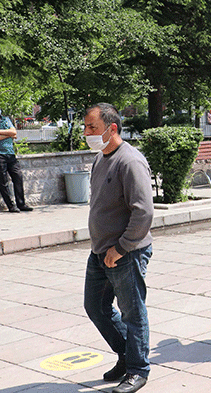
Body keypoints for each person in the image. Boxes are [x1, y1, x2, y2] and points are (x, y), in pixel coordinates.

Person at [83, 103, 153, 393]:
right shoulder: (102, 157)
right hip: (100, 251)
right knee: (96, 307)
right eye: (85, 127)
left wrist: (122, 248)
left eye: (92, 128)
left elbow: (144, 213)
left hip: (125, 253)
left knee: (132, 312)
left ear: (112, 128)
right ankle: (127, 355)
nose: (87, 133)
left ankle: (138, 370)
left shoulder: (130, 161)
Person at [0, 110, 32, 212]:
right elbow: (11, 134)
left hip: (10, 154)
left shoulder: (6, 119)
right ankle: (11, 206)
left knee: (18, 177)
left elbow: (14, 132)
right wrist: (8, 134)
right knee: (3, 182)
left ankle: (21, 204)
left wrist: (6, 133)